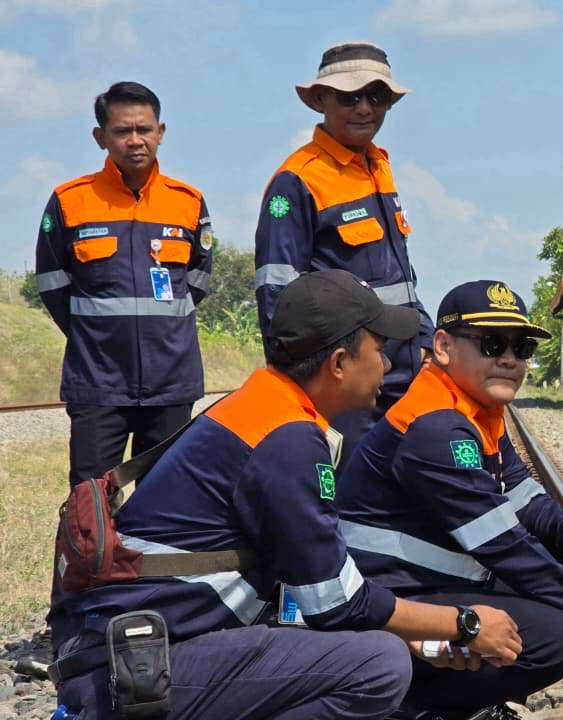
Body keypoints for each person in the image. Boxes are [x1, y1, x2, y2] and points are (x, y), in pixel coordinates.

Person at [48, 270, 522, 720]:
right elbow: (337, 604)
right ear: (339, 364)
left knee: (383, 647)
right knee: (378, 665)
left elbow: (305, 578)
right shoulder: (289, 440)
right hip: (131, 669)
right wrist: (464, 623)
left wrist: (414, 632)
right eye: (379, 349)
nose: (389, 364)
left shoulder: (265, 408)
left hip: (132, 652)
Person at [338, 280, 563, 720]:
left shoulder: (476, 412)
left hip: (419, 582)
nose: (510, 359)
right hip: (390, 607)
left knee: (552, 587)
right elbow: (503, 544)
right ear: (442, 346)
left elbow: (525, 497)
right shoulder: (435, 429)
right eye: (492, 343)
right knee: (556, 636)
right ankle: (418, 706)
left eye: (522, 348)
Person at [26, 80, 214, 679]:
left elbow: (198, 280)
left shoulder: (188, 201)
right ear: (100, 136)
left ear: (161, 131)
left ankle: (161, 616)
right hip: (98, 384)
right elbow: (54, 286)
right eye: (123, 130)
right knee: (90, 505)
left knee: (168, 503)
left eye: (145, 129)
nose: (135, 140)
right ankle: (80, 621)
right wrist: (96, 339)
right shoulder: (70, 201)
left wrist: (160, 334)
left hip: (171, 380)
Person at [255, 41, 433, 464]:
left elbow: (400, 278)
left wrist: (425, 339)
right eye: (350, 97)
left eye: (377, 96)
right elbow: (278, 296)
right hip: (346, 384)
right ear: (321, 100)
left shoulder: (379, 167)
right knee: (351, 502)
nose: (364, 108)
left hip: (405, 373)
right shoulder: (297, 181)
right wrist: (305, 387)